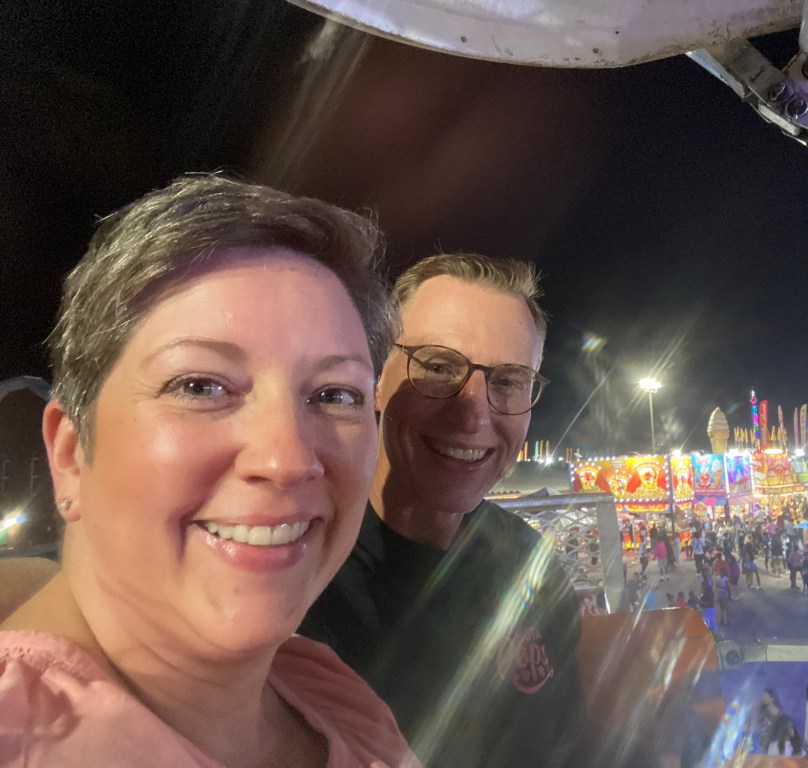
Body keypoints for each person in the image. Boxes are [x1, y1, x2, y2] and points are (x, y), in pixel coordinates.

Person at [0, 175, 416, 767]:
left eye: (333, 394)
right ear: (70, 454)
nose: (288, 459)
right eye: (199, 385)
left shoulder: (326, 690)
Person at [299, 253, 585, 767]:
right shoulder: (296, 578)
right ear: (375, 379)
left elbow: (572, 748)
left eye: (508, 380)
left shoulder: (530, 567)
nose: (474, 411)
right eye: (436, 366)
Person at [754, 688, 782, 753]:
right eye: (763, 696)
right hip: (763, 745)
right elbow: (756, 726)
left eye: (765, 696)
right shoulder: (761, 712)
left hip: (775, 746)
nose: (763, 698)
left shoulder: (780, 714)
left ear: (772, 698)